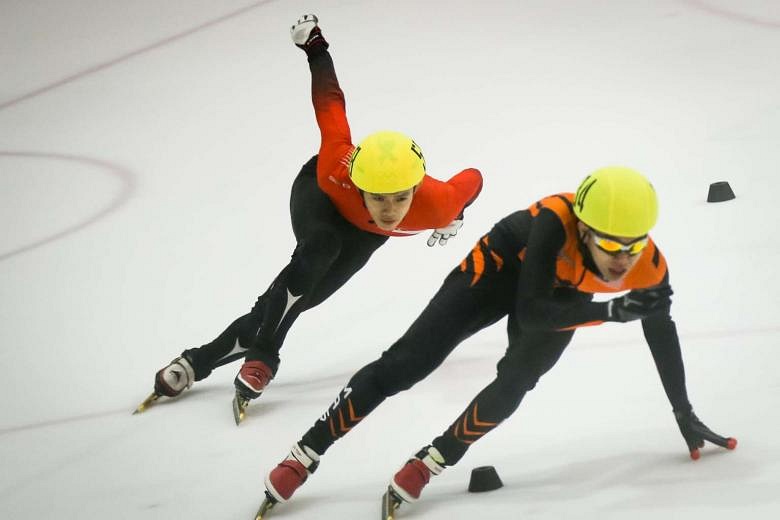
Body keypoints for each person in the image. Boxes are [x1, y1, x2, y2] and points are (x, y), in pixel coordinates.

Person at [258, 166, 736, 513]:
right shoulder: (554, 220)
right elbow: (532, 311)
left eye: (632, 247)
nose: (621, 260)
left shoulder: (649, 263)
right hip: (504, 268)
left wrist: (684, 411)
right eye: (610, 245)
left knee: (515, 384)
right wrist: (610, 311)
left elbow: (661, 330)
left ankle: (431, 462)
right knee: (407, 363)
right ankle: (305, 452)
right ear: (584, 228)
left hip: (563, 298)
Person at [137, 15, 483, 419]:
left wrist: (458, 212)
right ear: (358, 183)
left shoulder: (435, 203)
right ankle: (265, 357)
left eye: (400, 198)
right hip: (319, 199)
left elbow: (473, 179)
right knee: (321, 246)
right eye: (378, 198)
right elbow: (331, 102)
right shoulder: (336, 166)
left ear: (416, 190)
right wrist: (316, 48)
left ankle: (195, 362)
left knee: (290, 304)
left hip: (361, 236)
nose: (390, 211)